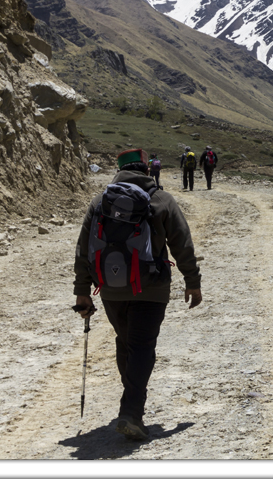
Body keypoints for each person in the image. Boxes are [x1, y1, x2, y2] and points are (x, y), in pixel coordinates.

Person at [73, 148, 202, 442]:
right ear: (146, 169)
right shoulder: (161, 199)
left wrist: (82, 291)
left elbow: (83, 249)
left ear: (118, 170)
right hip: (151, 288)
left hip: (110, 289)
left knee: (126, 342)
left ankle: (132, 403)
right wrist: (192, 281)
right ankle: (131, 411)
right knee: (142, 346)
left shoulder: (99, 202)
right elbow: (182, 242)